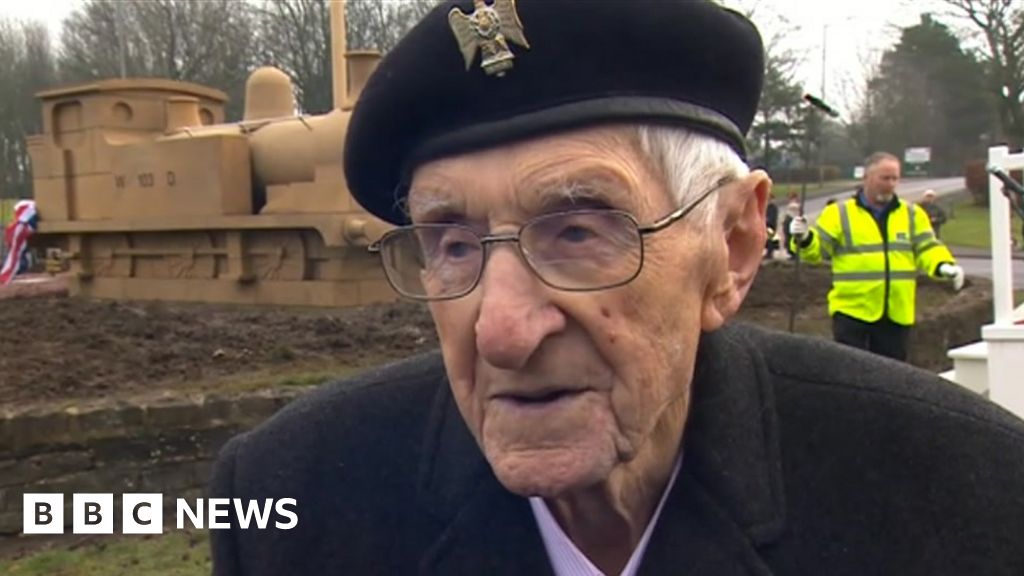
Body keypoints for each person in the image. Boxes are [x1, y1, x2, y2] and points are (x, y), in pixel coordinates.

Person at [210, 3, 1024, 575]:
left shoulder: (967, 499)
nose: (500, 329)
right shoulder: (293, 501)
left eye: (577, 230)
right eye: (452, 242)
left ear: (734, 248)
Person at [788, 153, 964, 362]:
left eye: (894, 179)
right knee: (851, 374)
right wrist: (805, 238)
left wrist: (943, 265)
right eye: (884, 178)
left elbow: (928, 247)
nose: (890, 185)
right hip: (852, 313)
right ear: (867, 178)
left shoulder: (912, 214)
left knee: (892, 380)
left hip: (896, 312)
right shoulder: (839, 214)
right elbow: (816, 252)